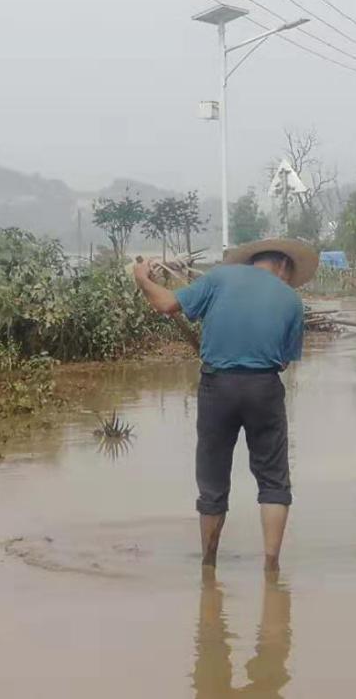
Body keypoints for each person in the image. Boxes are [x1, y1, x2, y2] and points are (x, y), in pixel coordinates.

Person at [132, 238, 316, 573]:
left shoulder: (219, 279)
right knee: (274, 481)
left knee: (213, 478)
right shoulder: (291, 300)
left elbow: (166, 304)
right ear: (284, 266)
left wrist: (143, 280)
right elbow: (286, 361)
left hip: (217, 387)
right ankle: (271, 567)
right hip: (264, 388)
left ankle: (208, 564)